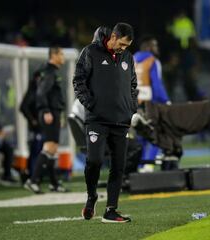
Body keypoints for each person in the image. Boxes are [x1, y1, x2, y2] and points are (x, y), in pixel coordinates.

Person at [73, 23, 138, 223]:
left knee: (119, 166)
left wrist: (131, 107)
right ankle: (92, 196)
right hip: (97, 120)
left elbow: (133, 84)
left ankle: (111, 210)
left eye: (127, 45)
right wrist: (90, 103)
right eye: (122, 44)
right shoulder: (90, 52)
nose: (124, 48)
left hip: (121, 120)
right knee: (94, 161)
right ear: (114, 36)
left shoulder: (128, 57)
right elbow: (78, 80)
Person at [24, 47, 68, 194]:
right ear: (54, 55)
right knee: (49, 147)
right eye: (61, 54)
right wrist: (47, 111)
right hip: (49, 113)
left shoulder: (48, 70)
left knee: (53, 149)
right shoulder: (49, 71)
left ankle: (54, 183)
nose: (63, 57)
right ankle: (32, 180)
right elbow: (41, 92)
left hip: (53, 113)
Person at [133, 36, 171, 169]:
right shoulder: (153, 61)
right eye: (154, 45)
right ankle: (148, 166)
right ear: (148, 47)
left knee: (140, 136)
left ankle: (138, 166)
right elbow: (156, 84)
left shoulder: (131, 59)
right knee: (158, 133)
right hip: (150, 104)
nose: (157, 48)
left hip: (134, 104)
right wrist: (166, 101)